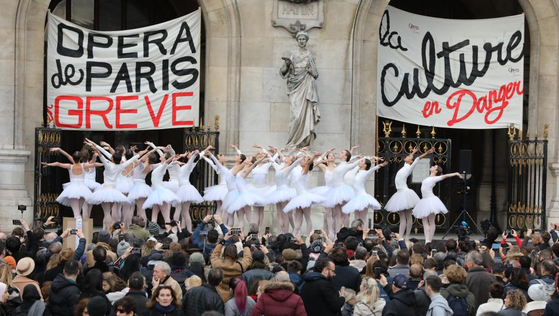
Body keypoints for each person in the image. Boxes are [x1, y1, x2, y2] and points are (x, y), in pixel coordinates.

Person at [279, 30, 320, 148]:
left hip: (307, 84)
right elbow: (283, 72)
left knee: (306, 114)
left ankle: (303, 142)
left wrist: (309, 70)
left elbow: (316, 74)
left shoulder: (309, 56)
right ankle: (292, 142)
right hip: (294, 86)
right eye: (300, 39)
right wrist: (287, 64)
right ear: (297, 41)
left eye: (303, 39)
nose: (301, 41)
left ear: (306, 41)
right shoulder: (292, 54)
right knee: (296, 116)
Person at [385, 147, 434, 241]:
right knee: (403, 217)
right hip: (400, 193)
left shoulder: (409, 168)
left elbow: (417, 159)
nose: (408, 156)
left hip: (404, 192)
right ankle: (401, 236)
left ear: (410, 161)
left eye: (409, 157)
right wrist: (413, 152)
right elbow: (411, 157)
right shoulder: (405, 165)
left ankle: (405, 235)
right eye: (408, 156)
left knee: (407, 216)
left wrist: (427, 152)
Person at [412, 166, 463, 242]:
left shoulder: (435, 178)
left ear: (436, 171)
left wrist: (456, 173)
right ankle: (427, 239)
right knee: (425, 221)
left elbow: (445, 176)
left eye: (434, 167)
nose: (432, 166)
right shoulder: (429, 177)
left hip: (430, 200)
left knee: (431, 221)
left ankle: (429, 239)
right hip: (425, 200)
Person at [41, 149, 95, 218]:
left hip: (73, 189)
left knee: (77, 213)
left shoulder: (71, 166)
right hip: (83, 189)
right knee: (80, 211)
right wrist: (105, 163)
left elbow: (58, 163)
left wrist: (48, 164)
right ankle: (81, 227)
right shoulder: (83, 165)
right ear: (80, 158)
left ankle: (78, 227)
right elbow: (95, 164)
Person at [284, 153, 325, 236]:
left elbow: (310, 163)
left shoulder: (306, 171)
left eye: (304, 161)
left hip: (304, 196)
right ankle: (294, 236)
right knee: (298, 219)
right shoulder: (295, 170)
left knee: (307, 217)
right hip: (298, 197)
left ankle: (309, 237)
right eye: (302, 160)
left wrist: (313, 156)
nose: (302, 161)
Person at [343, 158, 388, 224]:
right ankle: (358, 233)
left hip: (362, 197)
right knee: (356, 217)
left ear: (365, 165)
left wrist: (379, 165)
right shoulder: (358, 172)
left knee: (363, 217)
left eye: (362, 161)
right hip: (356, 197)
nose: (360, 161)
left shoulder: (365, 173)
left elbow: (371, 170)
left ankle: (364, 232)